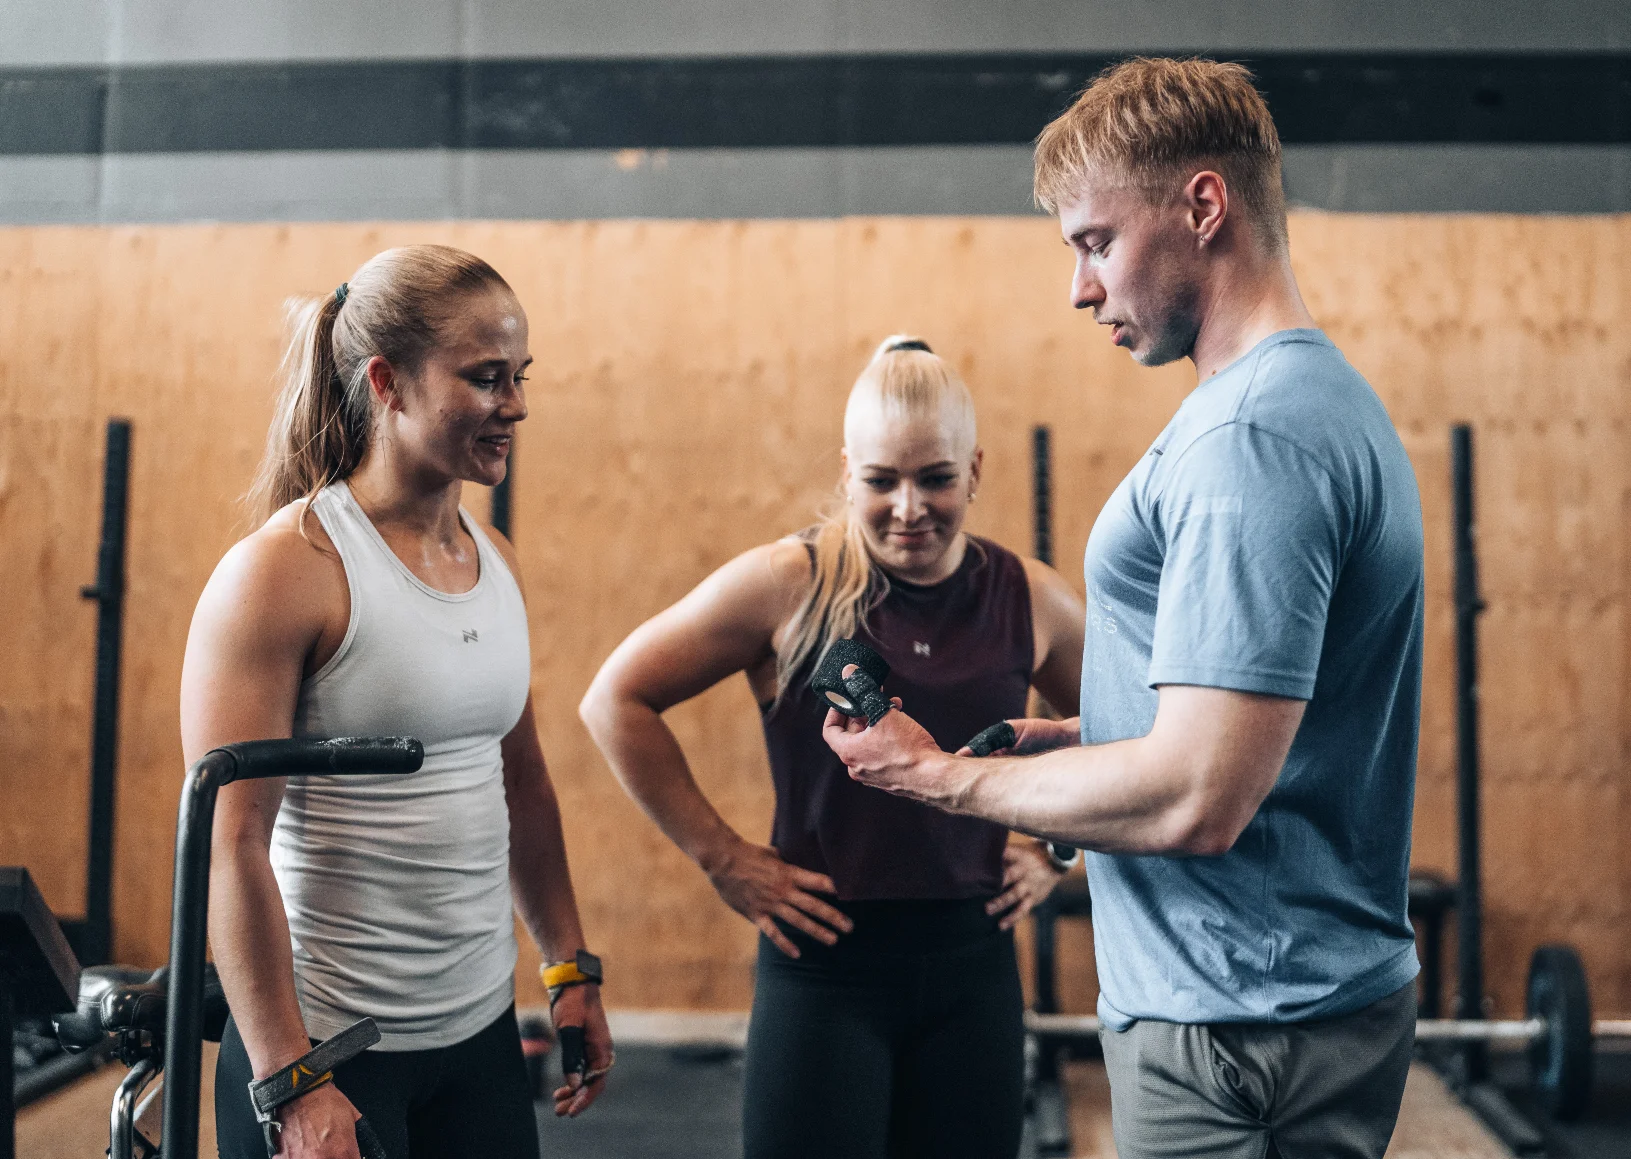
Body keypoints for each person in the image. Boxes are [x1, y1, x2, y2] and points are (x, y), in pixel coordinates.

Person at [824, 59, 1426, 1159]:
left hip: (1237, 1022)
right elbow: (1254, 727)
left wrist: (934, 777)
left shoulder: (1252, 441)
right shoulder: (1296, 402)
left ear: (1202, 207)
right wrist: (1081, 738)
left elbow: (1198, 797)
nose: (1078, 287)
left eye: (1094, 242)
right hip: (1259, 1001)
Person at [580, 337, 1085, 1159]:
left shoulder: (1031, 598)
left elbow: (1118, 736)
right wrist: (721, 857)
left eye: (935, 478)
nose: (908, 507)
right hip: (821, 965)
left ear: (976, 470)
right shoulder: (789, 584)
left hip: (972, 965)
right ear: (848, 471)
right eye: (882, 480)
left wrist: (1056, 851)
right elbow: (615, 699)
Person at [183, 245, 613, 1159]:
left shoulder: (493, 560)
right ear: (388, 381)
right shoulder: (287, 572)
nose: (517, 404)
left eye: (520, 376)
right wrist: (290, 1077)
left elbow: (521, 778)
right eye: (485, 378)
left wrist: (570, 967)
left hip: (479, 1038)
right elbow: (229, 844)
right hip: (330, 1050)